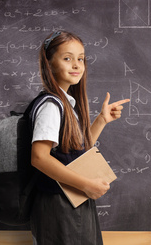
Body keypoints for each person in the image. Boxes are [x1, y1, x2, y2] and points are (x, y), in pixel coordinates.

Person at [30, 30, 129, 244]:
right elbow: (39, 157)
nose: (76, 65)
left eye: (80, 59)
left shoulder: (66, 104)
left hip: (72, 199)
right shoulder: (50, 105)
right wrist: (85, 184)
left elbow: (76, 152)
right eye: (67, 58)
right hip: (61, 203)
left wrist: (101, 120)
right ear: (49, 64)